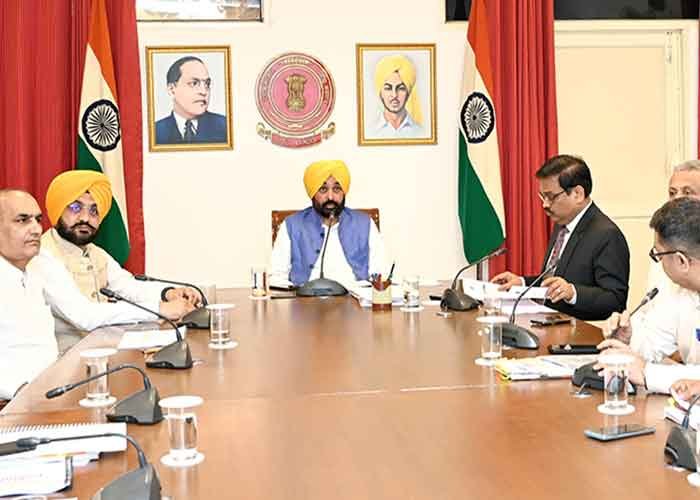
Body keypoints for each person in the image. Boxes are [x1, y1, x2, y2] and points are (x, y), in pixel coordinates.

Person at [30, 170, 197, 352]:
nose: (85, 218)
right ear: (58, 210)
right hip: (63, 360)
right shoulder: (42, 255)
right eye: (75, 208)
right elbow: (83, 315)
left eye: (94, 211)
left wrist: (168, 293)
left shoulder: (95, 253)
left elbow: (127, 286)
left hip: (104, 351)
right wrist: (160, 308)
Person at [491, 154, 630, 321]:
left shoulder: (607, 235)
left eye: (551, 197)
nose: (545, 204)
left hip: (579, 332)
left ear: (577, 194)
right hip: (548, 325)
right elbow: (553, 281)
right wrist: (521, 283)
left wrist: (573, 293)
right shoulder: (562, 224)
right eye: (542, 197)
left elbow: (615, 300)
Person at [598, 198, 700, 394]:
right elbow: (655, 344)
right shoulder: (678, 291)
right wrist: (628, 338)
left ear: (681, 261)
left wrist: (648, 373)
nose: (658, 262)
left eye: (658, 255)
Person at [269, 160, 387, 288]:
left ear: (344, 192)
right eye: (323, 189)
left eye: (336, 189)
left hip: (354, 296)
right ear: (313, 193)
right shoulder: (291, 225)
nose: (330, 197)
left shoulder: (365, 224)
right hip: (306, 297)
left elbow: (380, 273)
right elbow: (276, 277)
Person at [0, 189, 58, 399]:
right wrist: (18, 389)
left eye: (38, 220)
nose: (36, 229)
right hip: (12, 403)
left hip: (50, 392)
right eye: (22, 220)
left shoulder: (34, 272)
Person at [155, 56, 227, 144]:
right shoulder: (156, 132)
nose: (204, 92)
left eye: (207, 84)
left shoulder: (225, 127)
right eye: (194, 83)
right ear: (172, 90)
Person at [371, 54, 426, 139]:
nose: (394, 95)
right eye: (388, 88)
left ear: (408, 92)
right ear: (380, 93)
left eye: (400, 88)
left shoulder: (420, 132)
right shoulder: (371, 131)